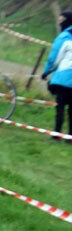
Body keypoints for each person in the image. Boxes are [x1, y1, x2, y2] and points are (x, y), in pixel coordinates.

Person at [42, 8, 72, 140]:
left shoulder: (64, 37)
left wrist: (46, 72)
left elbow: (54, 59)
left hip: (63, 78)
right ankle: (70, 136)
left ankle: (57, 133)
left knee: (60, 107)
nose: (59, 22)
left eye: (61, 19)